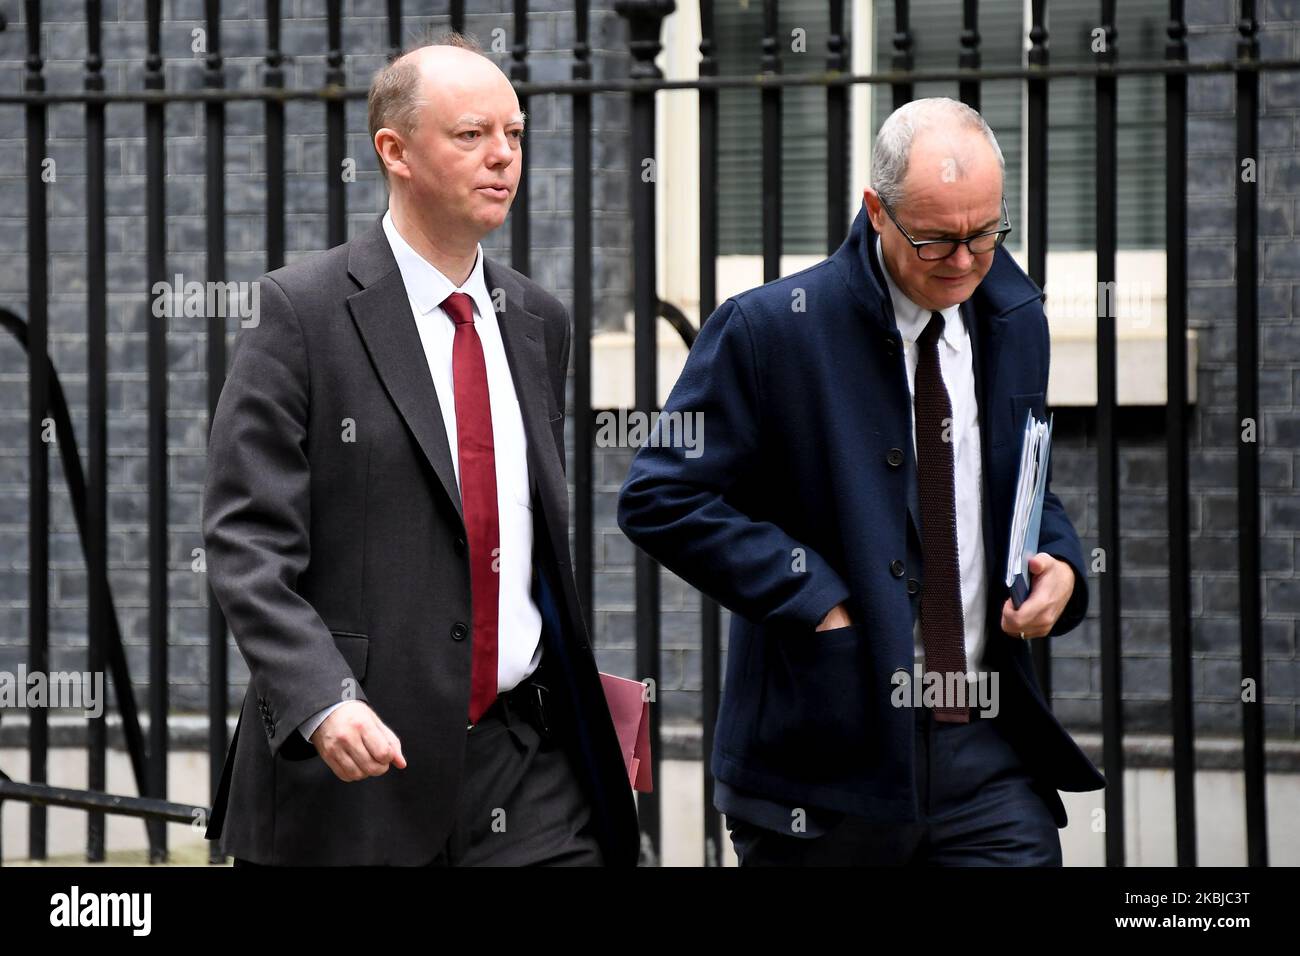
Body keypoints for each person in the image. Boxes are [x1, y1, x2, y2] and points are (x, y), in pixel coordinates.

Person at [617, 97, 1104, 866]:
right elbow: (659, 496)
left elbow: (1020, 479)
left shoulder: (1014, 316)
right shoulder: (770, 328)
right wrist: (814, 597)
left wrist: (1063, 563)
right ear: (876, 211)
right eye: (938, 239)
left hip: (989, 755)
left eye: (986, 233)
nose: (967, 261)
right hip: (824, 767)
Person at [202, 34, 638, 866]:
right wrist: (324, 702)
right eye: (472, 135)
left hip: (527, 767)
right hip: (358, 767)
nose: (503, 157)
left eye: (514, 134)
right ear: (394, 152)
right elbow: (245, 544)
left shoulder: (539, 320)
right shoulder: (301, 312)